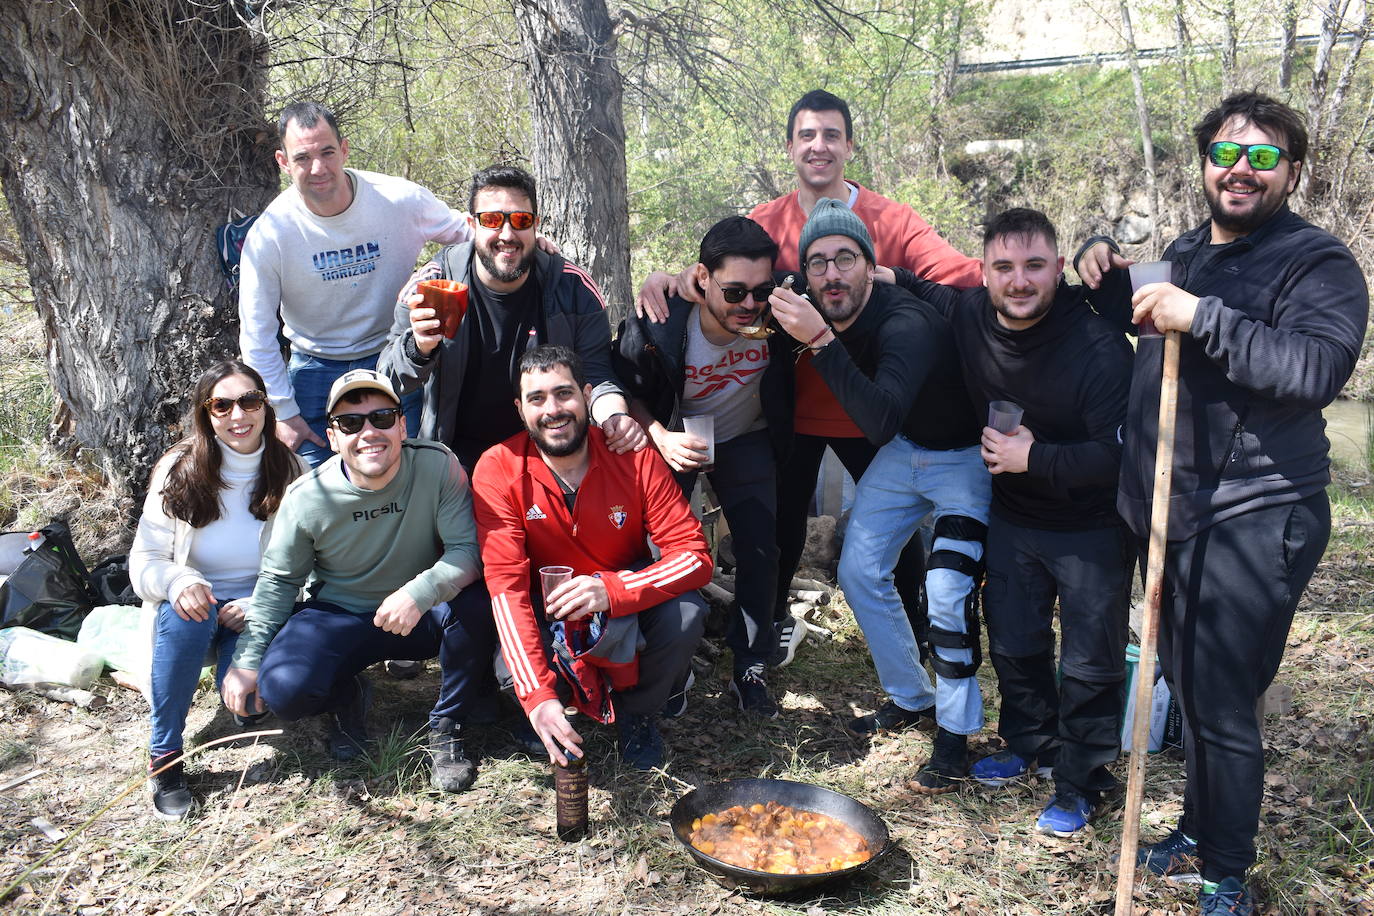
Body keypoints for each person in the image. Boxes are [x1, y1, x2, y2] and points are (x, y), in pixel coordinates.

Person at [1077, 92, 1368, 912]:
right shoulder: (1186, 250)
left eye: (1264, 157)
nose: (1242, 169)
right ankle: (1200, 830)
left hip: (1254, 512)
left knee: (1223, 702)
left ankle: (1226, 875)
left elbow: (1313, 370)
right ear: (1203, 163)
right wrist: (1104, 273)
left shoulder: (1318, 263)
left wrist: (1200, 314)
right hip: (1172, 513)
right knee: (1194, 688)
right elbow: (1149, 326)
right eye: (1226, 154)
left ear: (1293, 172)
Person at [637, 89, 983, 682]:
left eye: (831, 135)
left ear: (850, 145)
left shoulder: (891, 221)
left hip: (871, 408)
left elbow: (965, 281)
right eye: (806, 136)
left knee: (895, 535)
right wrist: (667, 277)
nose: (818, 146)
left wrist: (898, 277)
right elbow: (717, 276)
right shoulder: (767, 224)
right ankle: (763, 640)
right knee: (781, 526)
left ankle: (919, 634)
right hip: (788, 409)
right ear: (791, 147)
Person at [883, 208, 1134, 835]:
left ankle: (1082, 779)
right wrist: (871, 272)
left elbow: (1124, 455)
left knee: (1090, 661)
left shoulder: (1098, 345)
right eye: (1004, 267)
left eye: (1034, 266)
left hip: (1093, 525)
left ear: (1058, 267)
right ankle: (1029, 744)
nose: (1019, 281)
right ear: (985, 272)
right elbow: (922, 288)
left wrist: (1034, 457)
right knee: (1016, 642)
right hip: (1016, 517)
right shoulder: (970, 311)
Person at [767, 199, 990, 792]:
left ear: (871, 265)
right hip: (908, 452)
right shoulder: (818, 300)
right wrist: (675, 279)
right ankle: (911, 695)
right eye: (818, 264)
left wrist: (818, 341)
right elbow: (735, 281)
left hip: (962, 456)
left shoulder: (906, 323)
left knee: (947, 588)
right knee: (860, 569)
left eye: (846, 259)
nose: (832, 274)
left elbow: (880, 420)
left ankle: (955, 730)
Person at [221, 369, 499, 793]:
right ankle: (345, 696)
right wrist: (246, 660)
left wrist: (418, 592)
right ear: (333, 437)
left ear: (403, 424)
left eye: (382, 418)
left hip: (421, 612)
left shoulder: (437, 465)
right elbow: (278, 583)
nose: (369, 432)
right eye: (351, 423)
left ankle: (448, 723)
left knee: (479, 603)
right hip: (341, 615)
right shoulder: (307, 497)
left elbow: (468, 550)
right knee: (285, 691)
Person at [471, 346, 712, 770]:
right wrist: (538, 695)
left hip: (624, 605)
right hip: (551, 613)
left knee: (688, 613)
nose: (552, 410)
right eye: (537, 399)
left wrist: (611, 589)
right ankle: (554, 704)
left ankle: (638, 712)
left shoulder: (632, 455)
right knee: (513, 674)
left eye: (564, 394)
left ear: (586, 396)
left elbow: (694, 556)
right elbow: (506, 590)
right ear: (520, 409)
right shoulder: (497, 467)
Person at [614, 216, 792, 717]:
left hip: (745, 437)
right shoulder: (664, 320)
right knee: (658, 549)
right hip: (677, 435)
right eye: (734, 292)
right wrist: (660, 437)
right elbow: (624, 385)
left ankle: (750, 666)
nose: (749, 305)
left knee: (761, 548)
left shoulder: (781, 315)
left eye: (761, 290)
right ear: (702, 277)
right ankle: (671, 660)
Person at [238, 101, 471, 468]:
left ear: (344, 149)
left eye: (327, 152)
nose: (318, 168)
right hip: (315, 366)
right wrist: (284, 413)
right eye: (302, 158)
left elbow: (468, 234)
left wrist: (526, 239)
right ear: (283, 162)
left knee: (404, 474)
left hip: (394, 359)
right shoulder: (270, 234)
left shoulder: (397, 199)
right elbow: (257, 333)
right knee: (319, 488)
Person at [378, 165, 645, 475]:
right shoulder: (432, 287)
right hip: (458, 456)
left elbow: (597, 374)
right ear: (471, 225)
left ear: (535, 225)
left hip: (550, 450)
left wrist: (614, 416)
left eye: (520, 220)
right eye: (491, 220)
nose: (507, 234)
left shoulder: (573, 288)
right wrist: (419, 348)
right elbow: (388, 380)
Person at [130, 359, 305, 820]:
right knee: (190, 609)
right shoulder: (178, 469)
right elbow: (144, 563)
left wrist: (262, 603)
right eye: (221, 405)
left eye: (249, 401)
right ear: (205, 415)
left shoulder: (290, 469)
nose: (237, 415)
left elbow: (316, 564)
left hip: (253, 614)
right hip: (194, 610)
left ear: (266, 407)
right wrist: (178, 578)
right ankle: (165, 756)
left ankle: (243, 693)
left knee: (249, 708)